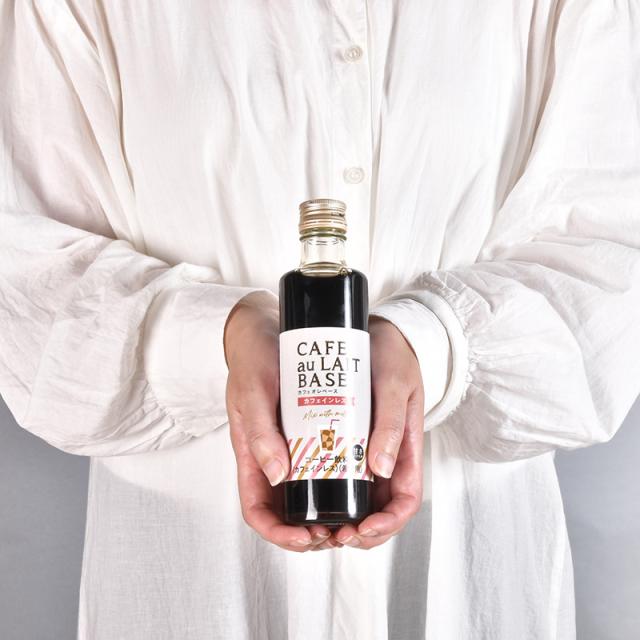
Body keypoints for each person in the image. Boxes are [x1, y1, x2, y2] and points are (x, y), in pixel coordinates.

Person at [1, 1, 638, 638]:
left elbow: (609, 254)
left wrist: (433, 343)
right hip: (196, 568)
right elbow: (25, 269)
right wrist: (214, 340)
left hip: (462, 562)